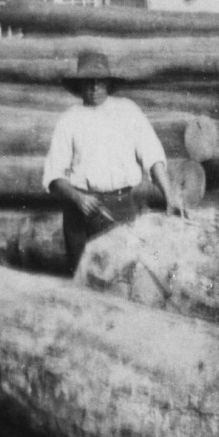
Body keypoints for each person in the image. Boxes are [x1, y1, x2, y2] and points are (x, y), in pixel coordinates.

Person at [42, 50, 182, 273]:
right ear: (80, 85)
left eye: (99, 81)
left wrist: (169, 194)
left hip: (120, 207)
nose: (95, 87)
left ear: (108, 82)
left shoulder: (128, 111)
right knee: (80, 277)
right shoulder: (69, 119)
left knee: (130, 268)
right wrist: (78, 198)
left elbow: (153, 156)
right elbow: (53, 176)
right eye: (88, 82)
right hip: (80, 212)